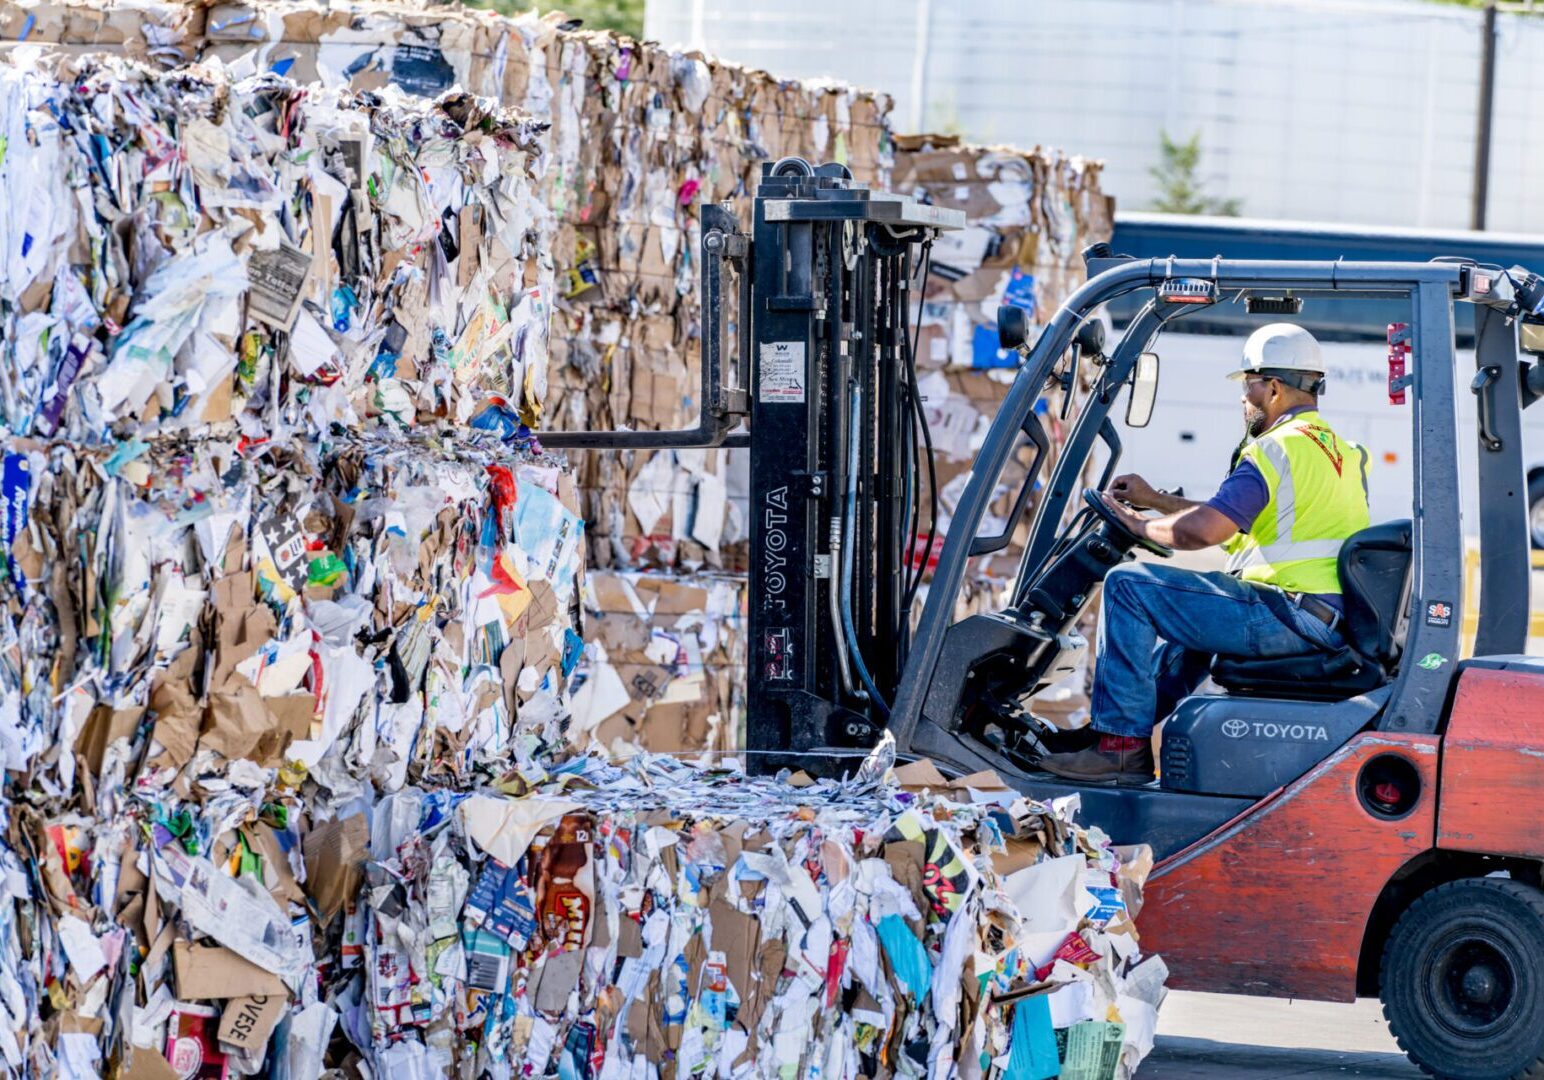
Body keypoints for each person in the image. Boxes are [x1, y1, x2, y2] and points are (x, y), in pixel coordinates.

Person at [1039, 323, 1371, 784]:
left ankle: (1120, 749)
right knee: (1191, 621)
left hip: (1289, 616)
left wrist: (1136, 525)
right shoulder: (1338, 450)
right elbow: (1226, 515)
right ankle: (1111, 733)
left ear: (1272, 386)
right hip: (1315, 615)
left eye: (1247, 387)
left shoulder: (1275, 448)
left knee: (1128, 586)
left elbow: (1204, 531)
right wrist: (1155, 501)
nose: (1243, 400)